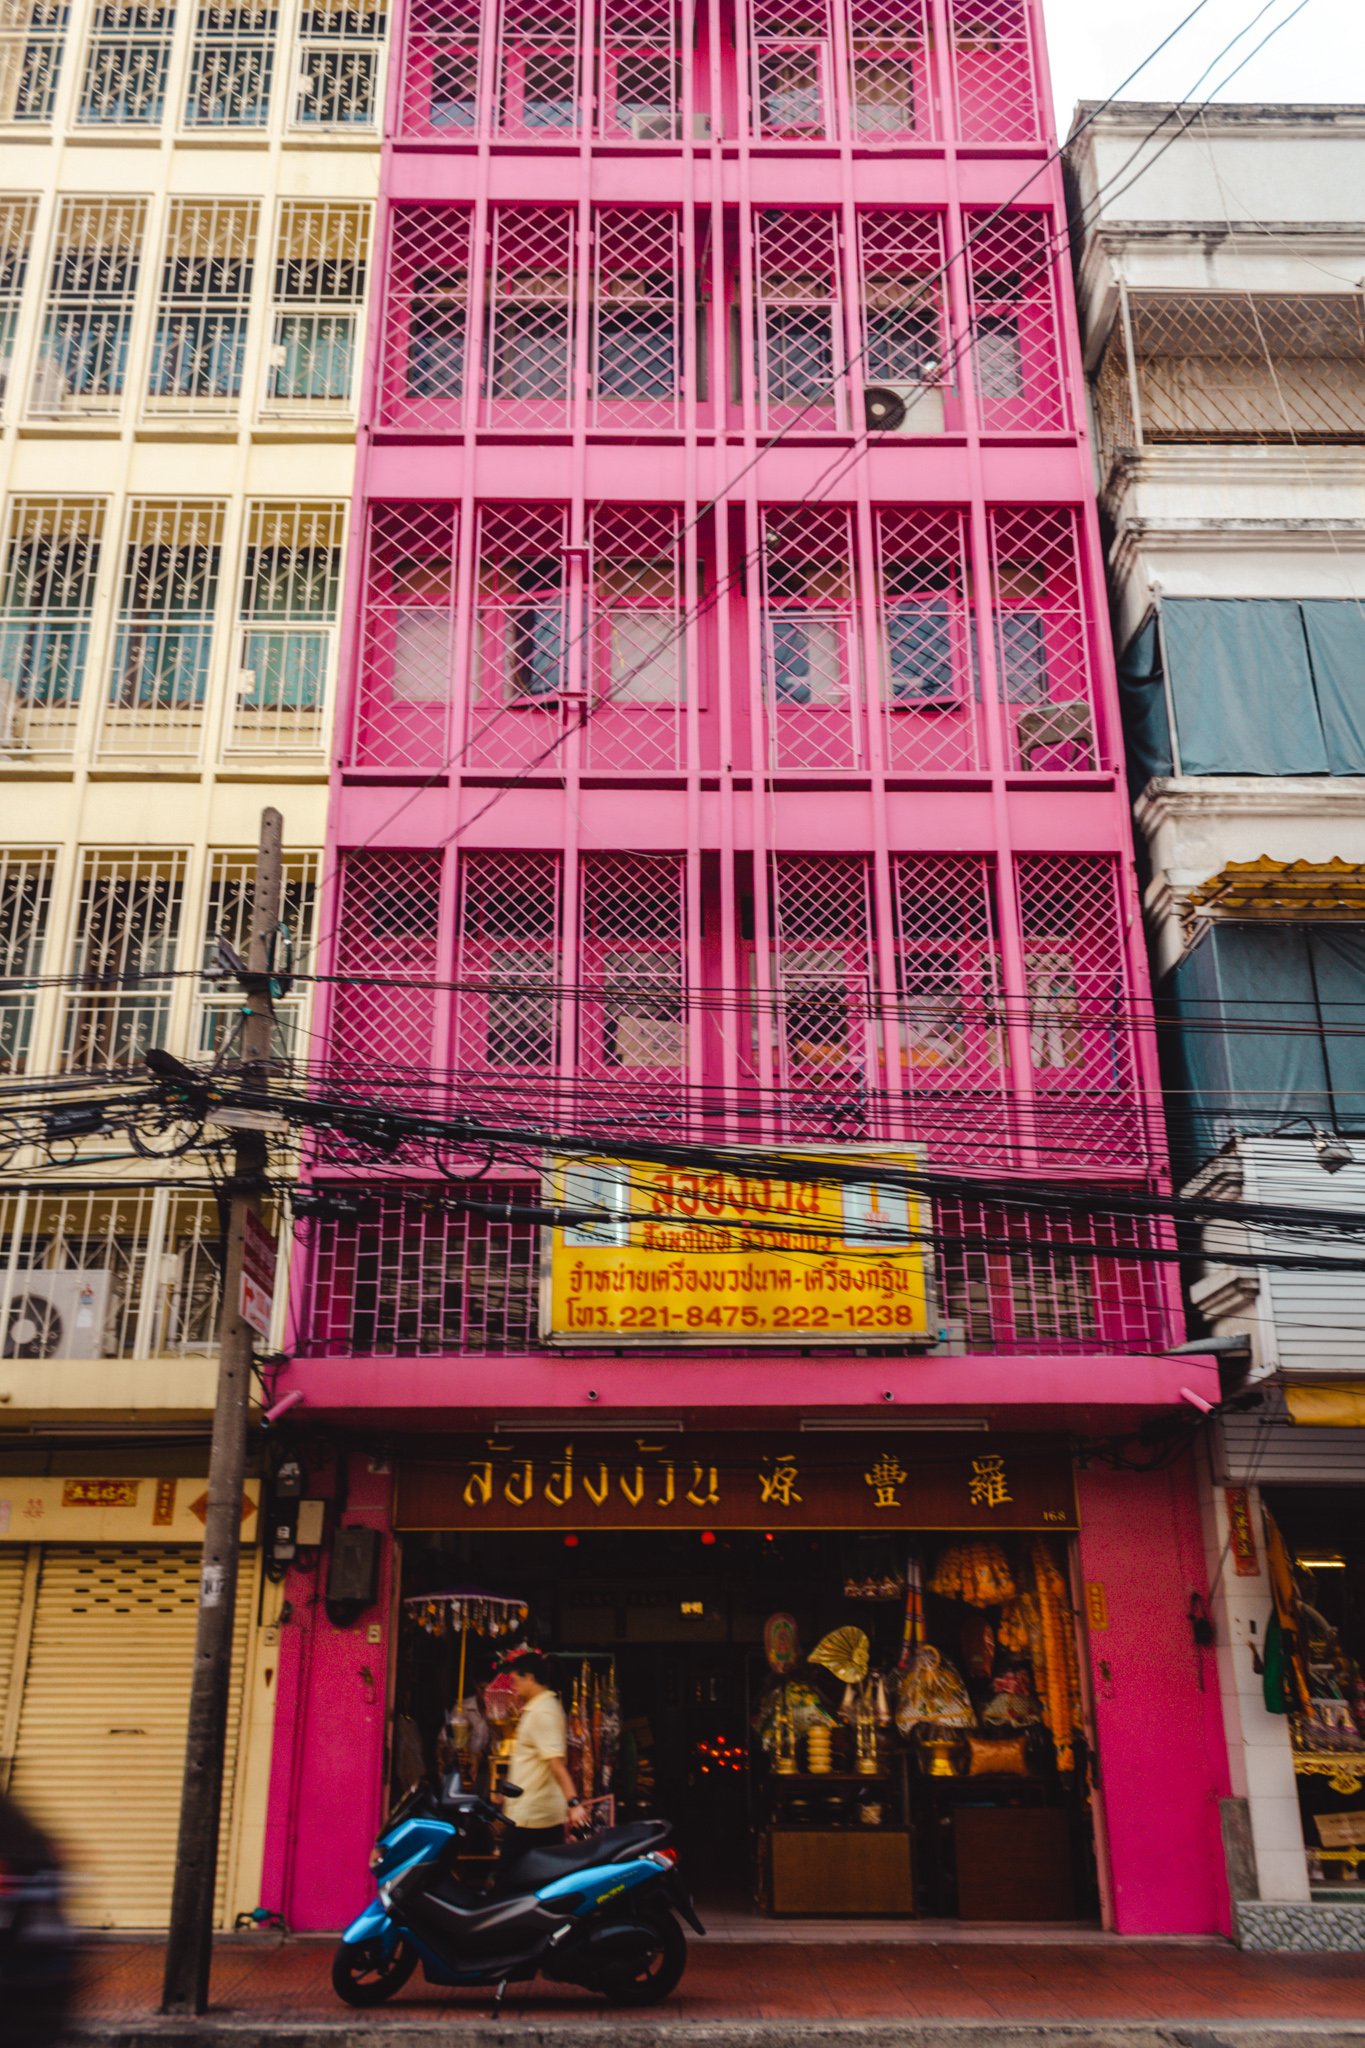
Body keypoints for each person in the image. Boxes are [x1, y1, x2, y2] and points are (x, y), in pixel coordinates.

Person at [494, 1650, 587, 1886]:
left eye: (516, 1680)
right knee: (529, 1879)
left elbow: (555, 1763)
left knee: (508, 1879)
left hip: (534, 1816)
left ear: (531, 1678)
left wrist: (573, 1803)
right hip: (529, 1812)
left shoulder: (544, 1711)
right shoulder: (537, 1708)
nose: (514, 1686)